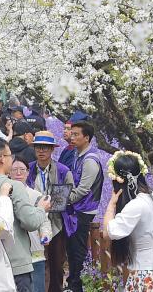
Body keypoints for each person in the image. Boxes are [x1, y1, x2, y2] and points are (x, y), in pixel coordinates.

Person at [102, 151, 153, 292]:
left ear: (119, 181)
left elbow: (108, 233)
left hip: (146, 275)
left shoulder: (136, 205)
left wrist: (111, 206)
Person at [0, 138, 50, 292]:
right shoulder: (14, 186)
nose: (12, 160)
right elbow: (30, 222)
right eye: (10, 156)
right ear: (1, 159)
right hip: (16, 261)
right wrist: (41, 209)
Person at [27, 131, 74, 292]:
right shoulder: (29, 168)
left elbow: (70, 193)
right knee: (39, 262)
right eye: (38, 147)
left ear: (52, 150)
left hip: (56, 222)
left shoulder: (62, 170)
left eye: (45, 148)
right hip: (33, 223)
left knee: (56, 263)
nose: (41, 151)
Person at [64, 120, 103, 292]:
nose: (72, 137)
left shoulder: (90, 160)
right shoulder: (77, 155)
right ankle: (73, 281)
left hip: (84, 210)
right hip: (76, 207)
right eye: (71, 134)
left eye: (76, 134)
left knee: (78, 249)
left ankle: (76, 285)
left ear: (86, 138)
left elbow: (83, 190)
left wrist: (64, 199)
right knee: (72, 248)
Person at [10, 156, 53, 292]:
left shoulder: (36, 195)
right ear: (8, 172)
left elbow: (44, 220)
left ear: (28, 172)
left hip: (35, 250)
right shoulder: (5, 194)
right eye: (14, 169)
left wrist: (45, 235)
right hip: (14, 252)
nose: (18, 173)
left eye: (22, 170)